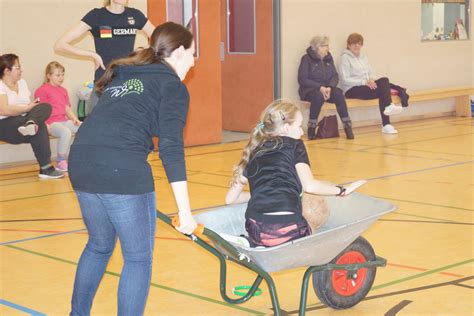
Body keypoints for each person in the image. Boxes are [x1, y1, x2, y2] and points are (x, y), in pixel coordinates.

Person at [67, 22, 197, 316]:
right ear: (177, 52)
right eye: (192, 53)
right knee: (138, 259)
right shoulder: (172, 86)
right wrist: (185, 211)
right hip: (120, 168)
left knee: (99, 246)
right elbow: (172, 149)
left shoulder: (124, 72)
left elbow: (103, 113)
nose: (193, 61)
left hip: (81, 161)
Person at [225, 100, 365, 248]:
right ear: (286, 128)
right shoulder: (295, 145)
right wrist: (341, 190)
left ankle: (252, 241)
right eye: (299, 126)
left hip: (255, 227)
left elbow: (230, 199)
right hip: (287, 227)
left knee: (265, 231)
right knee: (312, 226)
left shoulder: (254, 151)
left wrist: (262, 193)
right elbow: (309, 186)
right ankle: (271, 239)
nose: (302, 132)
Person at [55, 0, 155, 112]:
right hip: (103, 84)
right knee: (96, 126)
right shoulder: (96, 16)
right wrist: (92, 55)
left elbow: (159, 38)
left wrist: (141, 51)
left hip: (126, 85)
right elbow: (60, 45)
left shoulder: (135, 15)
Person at [0, 54, 64, 179]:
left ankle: (30, 123)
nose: (21, 70)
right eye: (17, 67)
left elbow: (30, 105)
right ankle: (46, 168)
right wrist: (27, 108)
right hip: (4, 124)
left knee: (45, 106)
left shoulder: (22, 83)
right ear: (7, 71)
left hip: (23, 122)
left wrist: (30, 111)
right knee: (40, 126)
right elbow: (4, 110)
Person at [339, 33, 410, 135]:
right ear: (349, 45)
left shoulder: (363, 57)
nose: (357, 46)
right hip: (352, 89)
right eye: (354, 44)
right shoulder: (344, 58)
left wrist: (371, 79)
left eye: (359, 44)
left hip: (366, 85)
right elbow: (345, 79)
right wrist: (364, 82)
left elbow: (371, 72)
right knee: (383, 91)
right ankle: (386, 123)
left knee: (384, 80)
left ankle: (387, 118)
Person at [298, 35, 354, 140]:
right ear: (317, 47)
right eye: (325, 46)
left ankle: (347, 127)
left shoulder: (329, 58)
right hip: (310, 90)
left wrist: (329, 87)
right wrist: (320, 87)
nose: (328, 48)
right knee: (318, 96)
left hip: (327, 89)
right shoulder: (306, 59)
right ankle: (312, 127)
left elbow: (335, 76)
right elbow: (302, 79)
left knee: (338, 94)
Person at [34, 62, 81, 172]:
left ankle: (79, 156)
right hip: (51, 123)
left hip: (64, 121)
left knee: (85, 127)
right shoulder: (42, 90)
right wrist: (45, 126)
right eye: (58, 75)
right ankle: (61, 161)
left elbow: (67, 109)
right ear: (49, 76)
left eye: (62, 74)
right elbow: (39, 111)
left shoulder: (63, 90)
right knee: (66, 132)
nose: (61, 77)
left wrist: (75, 119)